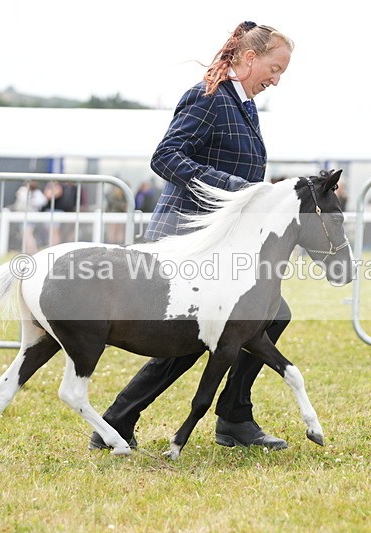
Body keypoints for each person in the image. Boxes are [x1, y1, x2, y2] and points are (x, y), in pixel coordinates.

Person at [90, 21, 294, 452]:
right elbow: (165, 157)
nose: (276, 80)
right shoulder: (208, 96)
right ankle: (119, 420)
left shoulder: (244, 104)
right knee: (201, 331)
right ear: (250, 57)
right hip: (184, 233)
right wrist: (233, 187)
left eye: (282, 73)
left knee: (269, 316)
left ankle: (232, 416)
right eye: (274, 69)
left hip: (218, 240)